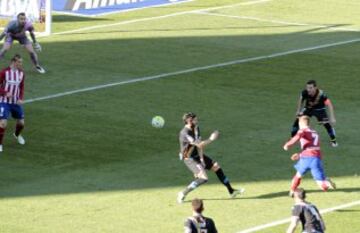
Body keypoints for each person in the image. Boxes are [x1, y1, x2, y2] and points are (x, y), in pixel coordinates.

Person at [177, 112, 244, 204]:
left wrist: (201, 159)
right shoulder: (184, 133)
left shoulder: (196, 128)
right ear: (189, 121)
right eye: (195, 120)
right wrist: (211, 138)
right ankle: (183, 193)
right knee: (204, 178)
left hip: (196, 155)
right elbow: (199, 144)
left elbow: (200, 146)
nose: (197, 121)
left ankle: (231, 191)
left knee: (216, 166)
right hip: (189, 158)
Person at [284, 116, 336, 196]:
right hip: (316, 158)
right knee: (323, 187)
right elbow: (313, 147)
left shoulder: (302, 130)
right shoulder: (314, 132)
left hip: (306, 159)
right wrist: (300, 155)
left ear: (300, 123)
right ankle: (327, 182)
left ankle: (292, 191)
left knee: (298, 175)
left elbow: (296, 138)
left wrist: (287, 145)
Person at [290, 80, 337, 147]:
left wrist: (332, 117)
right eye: (307, 87)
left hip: (320, 110)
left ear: (315, 88)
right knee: (297, 121)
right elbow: (301, 100)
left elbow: (329, 104)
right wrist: (298, 110)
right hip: (308, 108)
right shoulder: (305, 92)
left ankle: (334, 141)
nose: (308, 90)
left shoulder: (321, 94)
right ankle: (293, 139)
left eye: (310, 88)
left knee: (326, 124)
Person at [0, 54, 27, 152]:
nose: (21, 64)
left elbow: (22, 87)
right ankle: (0, 144)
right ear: (13, 62)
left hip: (15, 102)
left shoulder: (21, 73)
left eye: (21, 62)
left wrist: (20, 98)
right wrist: (5, 92)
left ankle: (16, 135)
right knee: (3, 123)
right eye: (19, 62)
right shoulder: (4, 72)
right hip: (3, 102)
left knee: (21, 123)